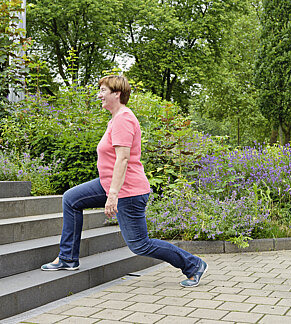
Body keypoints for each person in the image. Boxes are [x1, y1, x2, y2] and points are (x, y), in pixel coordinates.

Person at [41, 75, 207, 288]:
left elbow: (123, 158)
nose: (99, 95)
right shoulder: (116, 118)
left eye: (103, 90)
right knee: (71, 199)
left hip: (128, 191)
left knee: (140, 245)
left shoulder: (123, 119)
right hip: (109, 183)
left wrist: (113, 195)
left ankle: (193, 265)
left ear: (116, 94)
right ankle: (67, 258)